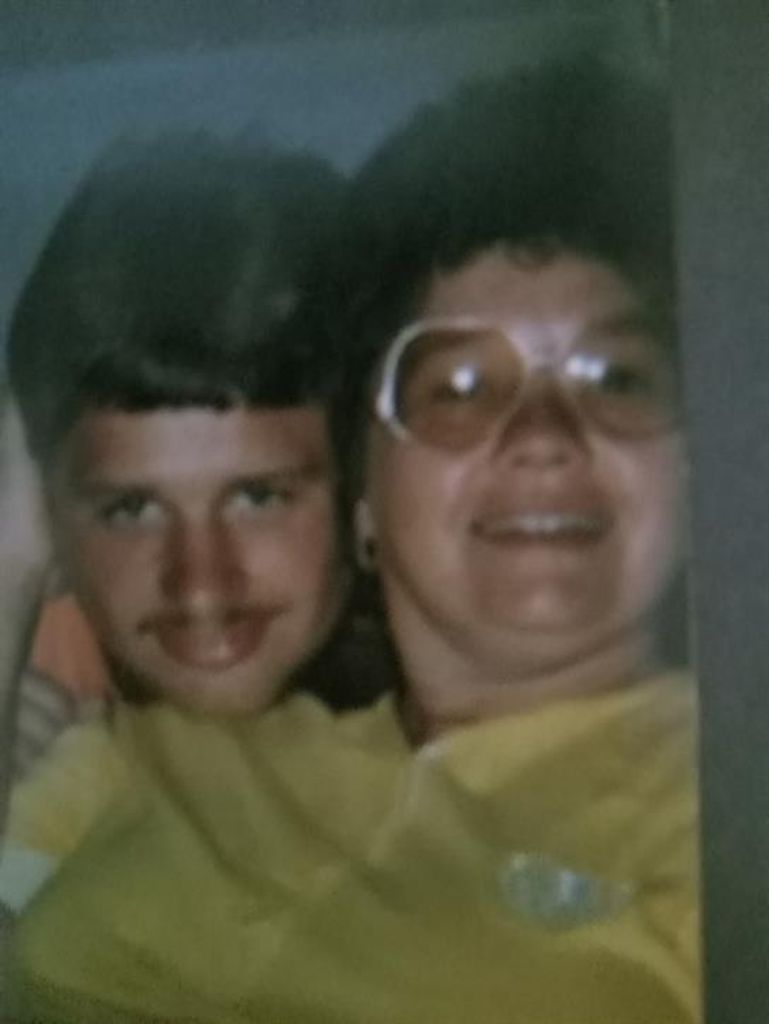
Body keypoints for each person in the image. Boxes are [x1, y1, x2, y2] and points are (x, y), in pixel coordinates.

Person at [6, 59, 699, 1023]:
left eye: (619, 378)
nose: (542, 435)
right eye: (459, 387)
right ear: (363, 491)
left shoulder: (718, 806)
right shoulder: (156, 758)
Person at [0, 135, 360, 923]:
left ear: (364, 487)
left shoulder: (465, 717)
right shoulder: (67, 722)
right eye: (132, 509)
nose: (199, 583)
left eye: (257, 496)